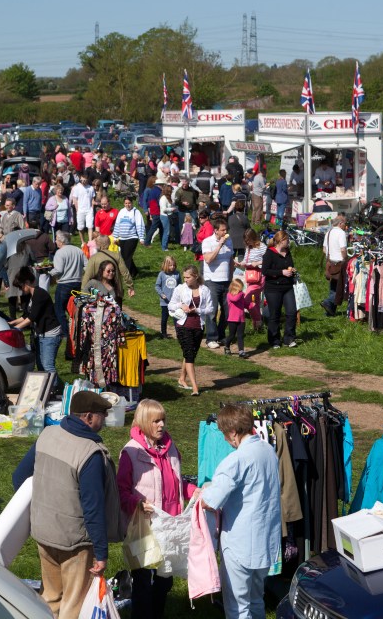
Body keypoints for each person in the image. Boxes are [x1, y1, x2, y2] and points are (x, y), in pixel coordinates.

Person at [27, 391, 121, 618]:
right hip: (75, 543)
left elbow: (19, 477)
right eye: (102, 414)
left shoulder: (47, 435)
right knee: (73, 604)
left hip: (43, 532)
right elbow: (93, 508)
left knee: (49, 598)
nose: (105, 418)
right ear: (88, 417)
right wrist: (101, 553)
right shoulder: (90, 454)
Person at [115, 399, 199, 619]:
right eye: (156, 421)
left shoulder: (171, 449)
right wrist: (137, 503)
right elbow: (120, 491)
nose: (161, 425)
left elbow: (177, 483)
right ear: (144, 422)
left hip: (169, 525)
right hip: (144, 526)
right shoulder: (131, 453)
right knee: (143, 580)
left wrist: (192, 491)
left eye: (163, 420)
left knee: (165, 578)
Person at [200, 405, 280, 619]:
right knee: (256, 598)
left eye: (225, 435)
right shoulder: (268, 450)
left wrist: (203, 492)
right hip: (265, 539)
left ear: (233, 433)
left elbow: (210, 501)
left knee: (237, 606)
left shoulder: (235, 460)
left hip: (240, 544)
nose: (226, 440)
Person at [9, 267, 62, 385]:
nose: (21, 290)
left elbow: (31, 318)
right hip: (40, 333)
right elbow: (25, 315)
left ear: (27, 283)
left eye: (21, 286)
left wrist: (16, 329)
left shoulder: (40, 294)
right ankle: (51, 389)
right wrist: (11, 323)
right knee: (40, 365)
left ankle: (56, 392)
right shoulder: (31, 296)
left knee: (48, 365)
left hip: (50, 334)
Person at [168, 265, 214, 395]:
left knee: (191, 353)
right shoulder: (180, 289)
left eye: (188, 277)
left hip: (198, 325)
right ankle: (195, 387)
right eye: (184, 277)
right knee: (189, 354)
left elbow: (210, 308)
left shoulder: (204, 290)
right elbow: (171, 305)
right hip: (183, 325)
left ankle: (182, 378)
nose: (185, 279)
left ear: (195, 276)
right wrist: (181, 305)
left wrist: (198, 310)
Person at [261, 230, 299, 349]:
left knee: (292, 312)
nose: (288, 242)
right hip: (273, 288)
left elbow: (290, 265)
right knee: (275, 314)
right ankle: (274, 340)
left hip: (287, 287)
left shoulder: (288, 252)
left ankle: (289, 338)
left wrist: (292, 271)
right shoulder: (269, 253)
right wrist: (281, 272)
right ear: (280, 241)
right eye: (287, 240)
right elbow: (265, 271)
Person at [202, 218, 234, 349]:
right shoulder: (207, 242)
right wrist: (219, 245)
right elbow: (208, 259)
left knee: (228, 311)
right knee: (212, 310)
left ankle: (220, 335)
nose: (225, 232)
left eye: (226, 229)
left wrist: (231, 278)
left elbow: (231, 260)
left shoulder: (230, 241)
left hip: (226, 281)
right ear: (216, 230)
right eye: (223, 230)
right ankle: (211, 338)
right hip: (212, 281)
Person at [235, 228, 267, 333]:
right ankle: (257, 326)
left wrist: (257, 263)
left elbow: (268, 260)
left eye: (248, 240)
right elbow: (245, 260)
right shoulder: (248, 248)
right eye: (246, 240)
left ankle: (258, 321)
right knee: (255, 301)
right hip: (250, 277)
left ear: (253, 238)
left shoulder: (262, 247)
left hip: (259, 277)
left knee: (247, 299)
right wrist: (240, 263)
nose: (247, 242)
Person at [321, 214, 348, 316]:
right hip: (339, 263)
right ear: (340, 223)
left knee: (333, 287)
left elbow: (324, 250)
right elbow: (343, 250)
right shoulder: (341, 233)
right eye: (345, 223)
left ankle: (330, 311)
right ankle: (328, 302)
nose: (345, 226)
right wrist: (345, 259)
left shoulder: (328, 232)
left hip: (330, 263)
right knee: (340, 288)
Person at [223, 278, 251, 358]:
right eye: (240, 288)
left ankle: (241, 351)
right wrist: (241, 294)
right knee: (231, 335)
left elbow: (244, 304)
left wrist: (251, 305)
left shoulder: (241, 295)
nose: (241, 290)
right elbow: (235, 299)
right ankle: (227, 347)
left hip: (241, 319)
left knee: (240, 335)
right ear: (235, 287)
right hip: (232, 319)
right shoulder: (230, 295)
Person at [155, 256, 180, 339]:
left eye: (173, 265)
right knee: (164, 318)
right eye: (170, 265)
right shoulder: (161, 274)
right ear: (166, 265)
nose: (172, 267)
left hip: (175, 301)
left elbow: (180, 285)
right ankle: (164, 333)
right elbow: (157, 286)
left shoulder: (177, 274)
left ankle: (179, 334)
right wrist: (161, 294)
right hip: (165, 302)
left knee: (177, 318)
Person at [71, 174, 96, 243]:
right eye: (82, 180)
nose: (83, 182)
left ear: (87, 180)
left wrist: (92, 208)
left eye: (84, 180)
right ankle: (82, 242)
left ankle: (90, 241)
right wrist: (77, 210)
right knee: (80, 227)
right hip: (80, 210)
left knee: (90, 226)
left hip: (89, 210)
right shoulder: (76, 188)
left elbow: (92, 199)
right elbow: (75, 199)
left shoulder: (91, 188)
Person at [158, 185, 176, 250]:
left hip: (168, 215)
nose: (172, 192)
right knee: (166, 232)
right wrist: (171, 209)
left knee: (167, 232)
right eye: (171, 191)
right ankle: (164, 247)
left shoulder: (167, 197)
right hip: (164, 216)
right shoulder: (163, 198)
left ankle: (165, 246)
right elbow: (163, 209)